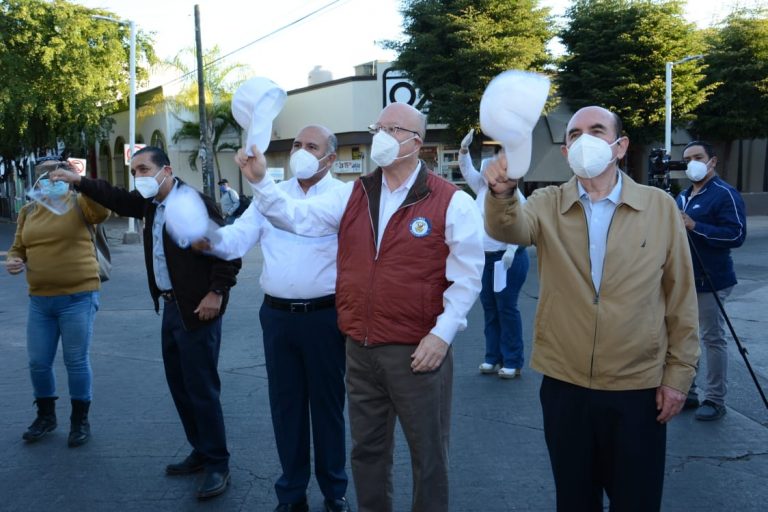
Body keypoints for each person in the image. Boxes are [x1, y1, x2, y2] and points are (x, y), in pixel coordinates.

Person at [233, 103, 483, 512]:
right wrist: (261, 182)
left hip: (418, 351)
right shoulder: (355, 194)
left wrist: (442, 334)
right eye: (377, 127)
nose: (379, 136)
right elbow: (296, 217)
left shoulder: (451, 201)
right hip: (360, 347)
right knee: (367, 452)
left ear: (415, 142)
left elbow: (468, 275)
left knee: (429, 457)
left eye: (392, 129)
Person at [483, 106, 700, 511]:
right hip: (566, 385)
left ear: (620, 147)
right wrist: (501, 193)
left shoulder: (658, 206)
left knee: (636, 500)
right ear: (566, 152)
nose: (585, 140)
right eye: (575, 134)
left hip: (637, 387)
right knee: (575, 499)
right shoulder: (547, 203)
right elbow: (506, 228)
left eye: (596, 131)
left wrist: (678, 376)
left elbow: (680, 297)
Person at [50, 147, 240, 501]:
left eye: (144, 169)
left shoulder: (194, 202)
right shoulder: (151, 205)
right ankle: (200, 450)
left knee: (201, 388)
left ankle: (218, 463)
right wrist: (79, 181)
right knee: (180, 385)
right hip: (171, 307)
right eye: (134, 170)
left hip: (198, 309)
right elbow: (117, 198)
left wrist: (216, 293)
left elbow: (228, 251)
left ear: (166, 169)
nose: (139, 177)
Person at [203, 125, 350, 512]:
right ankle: (291, 492)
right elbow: (239, 237)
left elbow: (298, 219)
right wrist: (208, 239)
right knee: (286, 408)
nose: (301, 151)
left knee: (328, 408)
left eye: (312, 146)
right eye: (297, 145)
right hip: (278, 317)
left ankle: (334, 491)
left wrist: (261, 184)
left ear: (330, 158)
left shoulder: (343, 196)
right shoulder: (273, 194)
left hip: (325, 317)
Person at [5, 156, 110, 448]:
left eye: (55, 174)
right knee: (38, 362)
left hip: (78, 295)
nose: (49, 180)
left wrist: (81, 182)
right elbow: (17, 248)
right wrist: (14, 261)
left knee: (75, 361)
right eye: (42, 176)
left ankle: (80, 421)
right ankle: (46, 417)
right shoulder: (28, 210)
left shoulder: (80, 204)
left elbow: (102, 212)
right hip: (40, 300)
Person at [677, 140, 746, 421]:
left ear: (712, 161)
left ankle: (715, 399)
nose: (692, 162)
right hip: (684, 279)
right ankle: (688, 392)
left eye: (698, 157)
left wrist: (695, 226)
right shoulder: (683, 196)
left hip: (712, 279)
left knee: (712, 338)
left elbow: (735, 235)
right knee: (684, 337)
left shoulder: (724, 194)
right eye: (687, 159)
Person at [458, 132, 529, 379]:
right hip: (485, 258)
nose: (490, 176)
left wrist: (510, 250)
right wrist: (464, 151)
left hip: (507, 259)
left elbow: (522, 226)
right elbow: (468, 172)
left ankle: (512, 359)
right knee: (489, 307)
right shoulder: (481, 188)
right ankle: (492, 356)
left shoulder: (516, 196)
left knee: (506, 308)